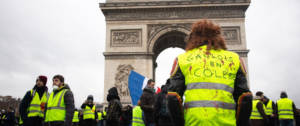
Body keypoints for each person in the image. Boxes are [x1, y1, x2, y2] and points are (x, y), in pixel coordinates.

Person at [165, 19, 253, 126]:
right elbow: (245, 97)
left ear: (192, 38)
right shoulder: (234, 59)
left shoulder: (183, 59)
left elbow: (173, 97)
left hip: (194, 122)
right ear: (218, 37)